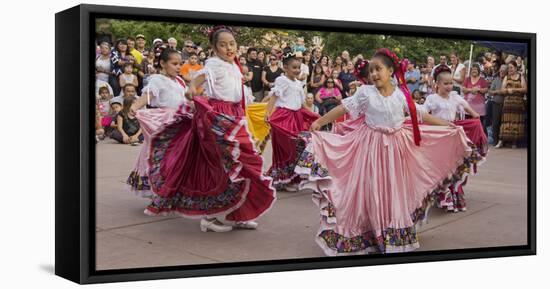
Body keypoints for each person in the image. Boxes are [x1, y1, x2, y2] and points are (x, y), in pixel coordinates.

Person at [293, 48, 475, 256]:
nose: (374, 74)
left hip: (397, 149)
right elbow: (344, 108)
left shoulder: (401, 95)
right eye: (371, 71)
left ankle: (391, 230)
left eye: (378, 69)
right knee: (371, 190)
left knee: (394, 190)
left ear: (390, 71)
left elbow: (420, 116)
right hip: (370, 148)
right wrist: (320, 121)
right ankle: (371, 232)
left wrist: (446, 125)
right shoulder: (365, 93)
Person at [143, 26, 276, 233]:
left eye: (231, 44)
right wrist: (193, 94)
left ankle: (241, 213)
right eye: (223, 45)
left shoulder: (234, 66)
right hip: (218, 118)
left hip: (235, 116)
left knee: (244, 164)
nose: (229, 48)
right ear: (214, 48)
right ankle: (209, 218)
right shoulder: (213, 65)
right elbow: (193, 87)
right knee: (220, 166)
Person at [126, 47, 188, 198]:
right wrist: (135, 106)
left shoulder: (180, 81)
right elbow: (148, 95)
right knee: (159, 154)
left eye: (180, 64)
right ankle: (158, 186)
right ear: (162, 63)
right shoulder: (157, 80)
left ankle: (172, 187)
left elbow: (186, 100)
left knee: (179, 155)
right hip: (164, 121)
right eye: (174, 63)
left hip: (180, 120)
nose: (178, 67)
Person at [424, 65, 487, 212]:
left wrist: (474, 114)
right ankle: (443, 195)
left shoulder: (454, 97)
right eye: (445, 83)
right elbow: (424, 114)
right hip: (439, 137)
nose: (449, 86)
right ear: (437, 84)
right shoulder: (432, 99)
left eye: (451, 83)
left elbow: (465, 106)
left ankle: (455, 193)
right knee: (442, 168)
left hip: (454, 136)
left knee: (455, 166)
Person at [265, 51, 320, 191]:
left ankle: (294, 177)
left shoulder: (298, 83)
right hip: (283, 117)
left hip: (297, 117)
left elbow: (302, 103)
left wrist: (312, 113)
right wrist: (267, 113)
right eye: (294, 67)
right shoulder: (281, 80)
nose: (297, 70)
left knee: (299, 146)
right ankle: (286, 179)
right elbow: (274, 97)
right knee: (287, 147)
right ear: (285, 68)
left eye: (298, 67)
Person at [496, 61, 527, 148]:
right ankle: (501, 141)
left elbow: (525, 89)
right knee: (505, 121)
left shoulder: (521, 77)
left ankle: (514, 142)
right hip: (508, 103)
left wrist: (514, 89)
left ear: (516, 68)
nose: (509, 69)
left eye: (511, 67)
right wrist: (507, 90)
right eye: (508, 68)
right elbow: (502, 90)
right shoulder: (506, 77)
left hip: (517, 104)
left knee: (516, 122)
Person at [462, 63, 489, 134]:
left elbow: (486, 90)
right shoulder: (467, 79)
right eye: (473, 69)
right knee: (468, 124)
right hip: (468, 107)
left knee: (479, 125)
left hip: (479, 108)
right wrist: (471, 90)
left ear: (478, 71)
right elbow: (463, 89)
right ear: (470, 71)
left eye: (476, 69)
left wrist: (478, 90)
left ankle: (478, 140)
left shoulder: (482, 80)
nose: (474, 71)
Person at [488, 64, 508, 146]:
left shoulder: (508, 79)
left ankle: (503, 141)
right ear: (499, 70)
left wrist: (503, 92)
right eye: (501, 70)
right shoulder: (495, 79)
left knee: (504, 123)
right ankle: (495, 140)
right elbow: (490, 91)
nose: (502, 71)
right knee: (495, 123)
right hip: (496, 103)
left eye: (504, 70)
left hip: (506, 104)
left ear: (506, 72)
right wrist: (497, 92)